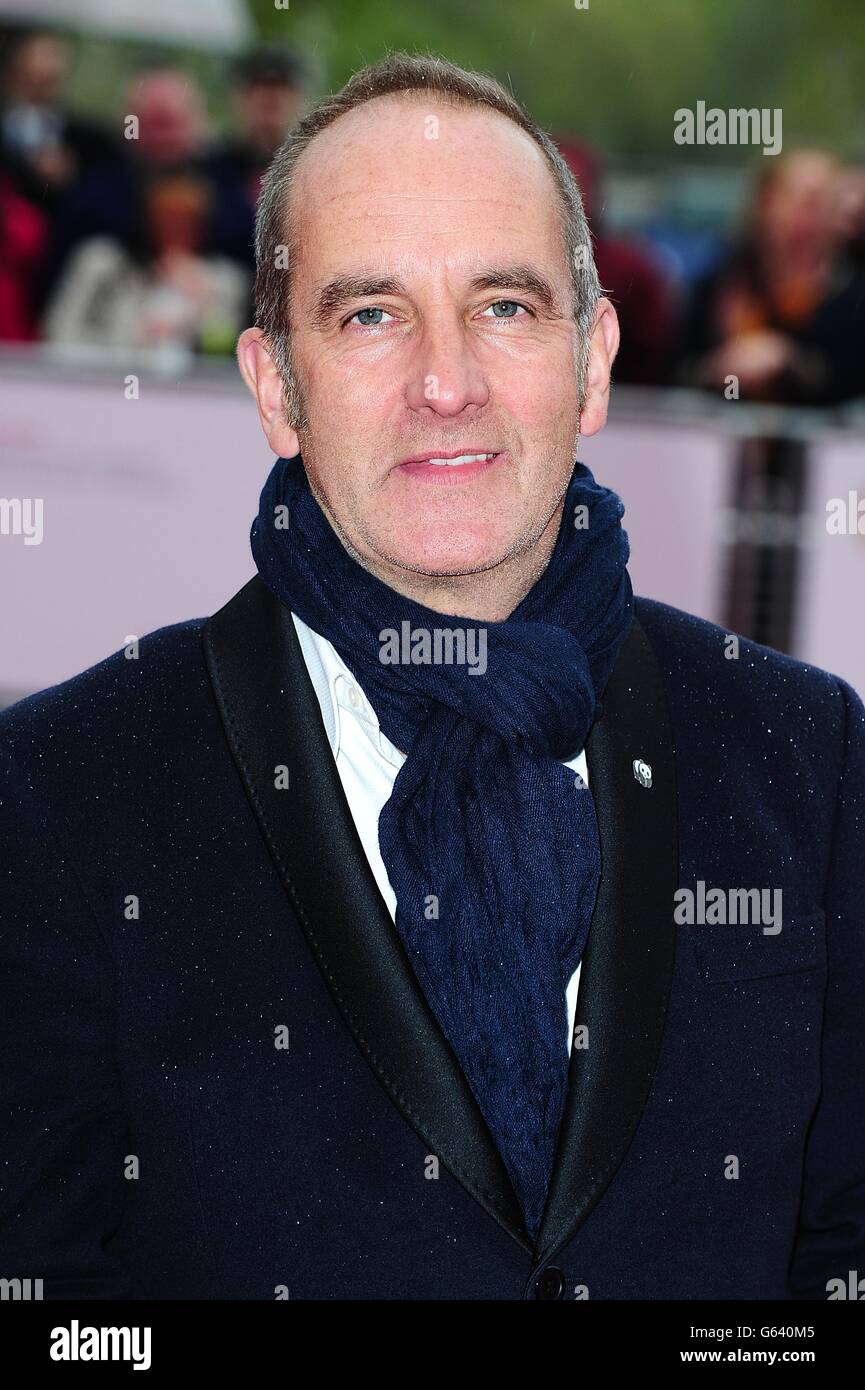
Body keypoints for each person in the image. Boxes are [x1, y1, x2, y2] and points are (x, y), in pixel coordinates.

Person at [0, 53, 862, 1302]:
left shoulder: (806, 753)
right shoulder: (62, 794)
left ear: (596, 358)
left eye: (505, 306)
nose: (444, 383)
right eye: (369, 315)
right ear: (274, 386)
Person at [675, 149, 865, 405]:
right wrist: (717, 368)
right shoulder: (722, 282)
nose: (809, 219)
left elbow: (847, 386)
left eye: (823, 203)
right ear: (765, 203)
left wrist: (789, 362)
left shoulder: (852, 300)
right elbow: (674, 374)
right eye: (801, 200)